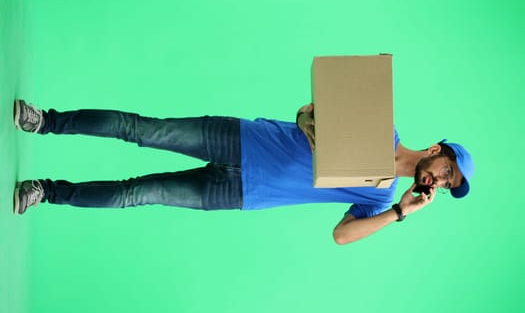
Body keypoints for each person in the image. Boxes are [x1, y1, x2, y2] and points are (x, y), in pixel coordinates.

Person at [12, 99, 474, 245]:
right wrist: (312, 127)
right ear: (436, 151)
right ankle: (47, 122)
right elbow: (310, 109)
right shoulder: (382, 127)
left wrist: (400, 212)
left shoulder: (380, 197)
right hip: (242, 139)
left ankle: (45, 192)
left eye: (448, 183)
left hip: (239, 192)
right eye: (447, 169)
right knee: (142, 129)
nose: (441, 180)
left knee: (139, 193)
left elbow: (341, 236)